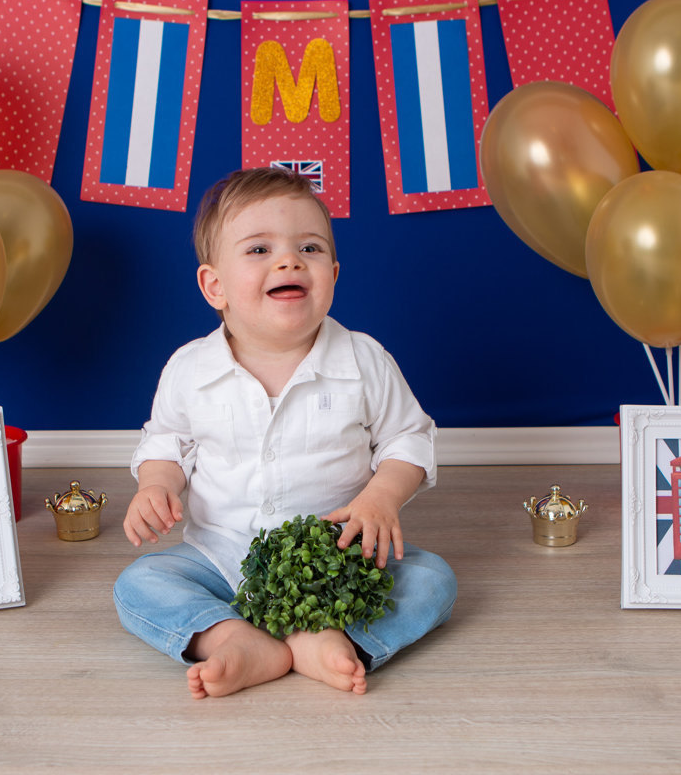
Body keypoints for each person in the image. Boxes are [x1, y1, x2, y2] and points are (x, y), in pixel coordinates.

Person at [114, 167, 456, 699]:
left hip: (335, 558)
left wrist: (381, 498)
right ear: (214, 286)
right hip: (223, 556)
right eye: (259, 250)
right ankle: (232, 637)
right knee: (138, 584)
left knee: (433, 579)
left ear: (333, 274)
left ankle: (331, 636)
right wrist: (156, 485)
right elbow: (167, 443)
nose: (289, 261)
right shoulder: (189, 368)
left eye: (309, 248)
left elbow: (408, 439)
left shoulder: (363, 360)